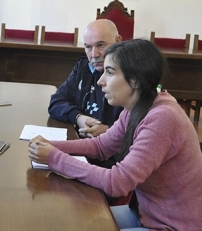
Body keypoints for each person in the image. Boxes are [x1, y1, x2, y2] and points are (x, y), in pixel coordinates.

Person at [29, 39, 202, 230]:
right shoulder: (138, 105)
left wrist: (54, 158)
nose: (101, 80)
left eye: (109, 72)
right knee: (73, 220)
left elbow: (116, 182)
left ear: (135, 80)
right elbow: (101, 146)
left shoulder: (162, 118)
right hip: (147, 214)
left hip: (173, 225)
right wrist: (52, 145)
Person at [49, 19, 123, 138]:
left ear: (118, 41)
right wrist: (78, 117)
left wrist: (110, 131)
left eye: (101, 45)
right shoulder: (83, 68)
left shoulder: (132, 75)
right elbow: (56, 102)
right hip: (83, 145)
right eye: (88, 47)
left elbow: (140, 125)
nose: (94, 54)